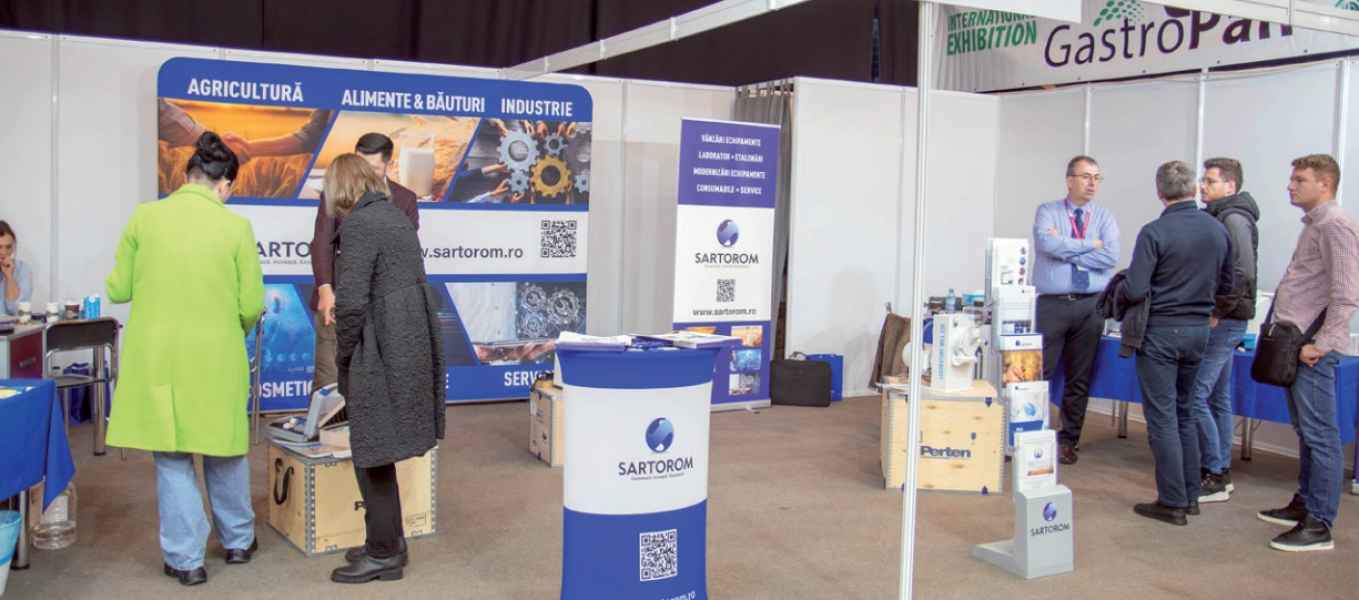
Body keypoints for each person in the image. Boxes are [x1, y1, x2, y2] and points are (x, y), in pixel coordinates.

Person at [105, 132, 266, 586]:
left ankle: (186, 559)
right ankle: (238, 541)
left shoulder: (144, 217)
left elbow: (119, 288)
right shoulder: (236, 227)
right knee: (225, 448)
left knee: (172, 455)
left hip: (159, 359)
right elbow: (251, 303)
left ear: (188, 176)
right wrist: (234, 328)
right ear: (225, 184)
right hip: (217, 356)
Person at [325, 154, 445, 583]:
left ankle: (383, 553)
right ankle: (390, 539)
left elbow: (351, 304)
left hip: (381, 347)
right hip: (407, 343)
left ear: (340, 189)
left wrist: (344, 357)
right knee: (380, 445)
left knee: (371, 451)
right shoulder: (394, 216)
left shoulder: (359, 225)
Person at [1257, 154, 1359, 552]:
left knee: (1321, 435)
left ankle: (1319, 524)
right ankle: (1305, 503)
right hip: (1295, 346)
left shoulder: (1335, 225)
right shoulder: (1315, 224)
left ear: (1325, 184)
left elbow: (1346, 294)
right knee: (1306, 431)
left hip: (1310, 349)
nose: (1290, 185)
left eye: (1299, 179)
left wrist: (1322, 344)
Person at [1123, 161, 1232, 526]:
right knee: (1186, 411)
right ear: (1193, 189)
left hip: (1161, 332)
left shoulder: (1154, 232)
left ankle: (1172, 502)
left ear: (1160, 192)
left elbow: (1135, 289)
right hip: (1199, 331)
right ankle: (1190, 496)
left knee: (1162, 418)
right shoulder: (1217, 229)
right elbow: (1230, 283)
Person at [310, 133, 420, 392]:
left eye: (373, 168)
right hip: (338, 301)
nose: (364, 174)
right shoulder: (336, 192)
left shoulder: (405, 199)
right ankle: (331, 420)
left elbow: (404, 255)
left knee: (380, 384)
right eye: (360, 165)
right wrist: (325, 289)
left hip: (384, 305)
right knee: (330, 380)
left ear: (389, 164)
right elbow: (322, 242)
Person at [1033, 155, 1121, 465]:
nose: (1092, 183)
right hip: (1052, 304)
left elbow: (1110, 257)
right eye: (1086, 176)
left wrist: (1067, 248)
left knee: (1079, 377)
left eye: (1097, 177)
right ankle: (1032, 436)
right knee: (1040, 373)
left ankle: (1068, 440)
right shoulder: (1048, 211)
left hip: (1090, 305)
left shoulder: (1105, 217)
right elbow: (1047, 245)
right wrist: (1090, 245)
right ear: (1069, 180)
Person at [1191, 158, 1259, 504]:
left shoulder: (1233, 219)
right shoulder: (1220, 216)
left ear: (1230, 186)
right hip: (1227, 318)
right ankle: (1220, 470)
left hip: (1225, 320)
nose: (1203, 186)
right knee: (1217, 396)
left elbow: (1242, 271)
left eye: (1210, 181)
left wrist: (1218, 310)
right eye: (1203, 180)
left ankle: (1215, 473)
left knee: (1195, 395)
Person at [0, 221, 33, 316]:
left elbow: (17, 311)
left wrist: (9, 277)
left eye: (8, 247)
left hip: (13, 325)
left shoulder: (23, 270)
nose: (4, 253)